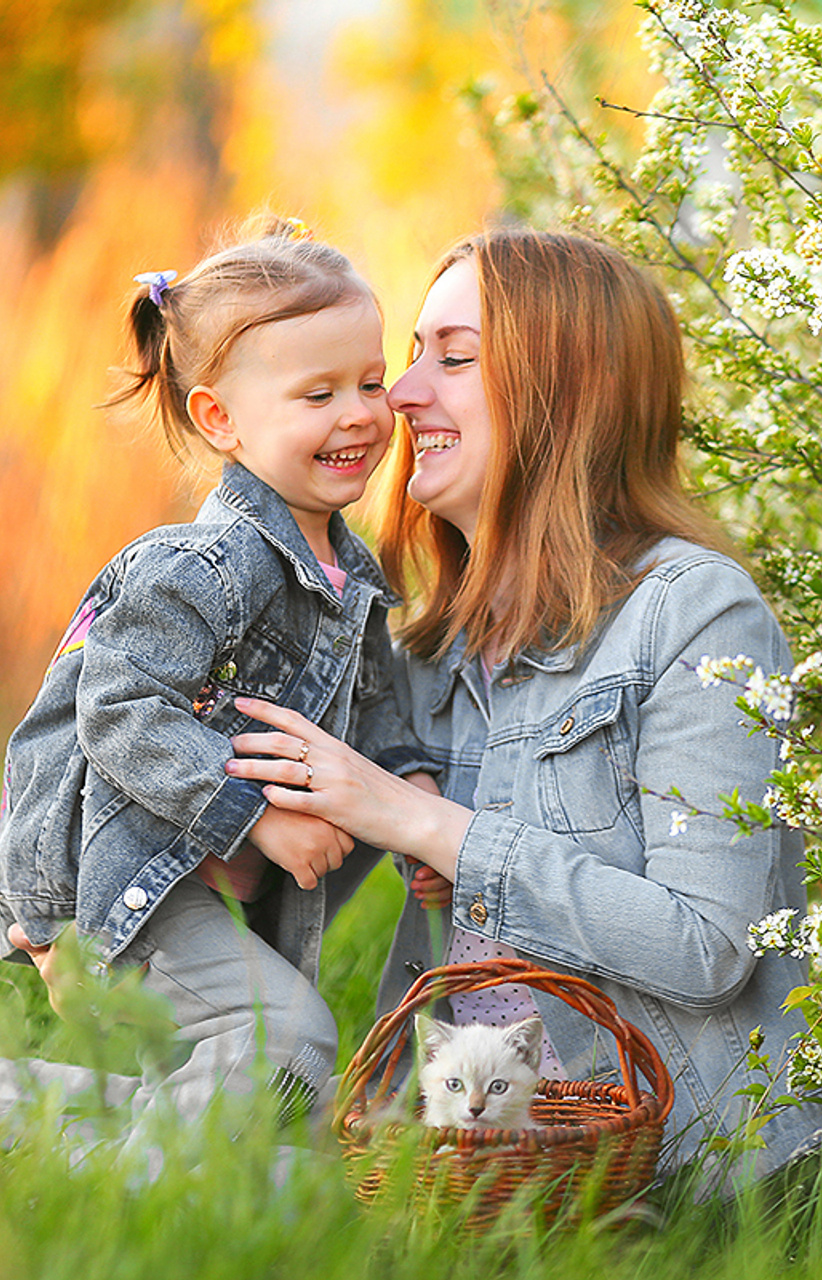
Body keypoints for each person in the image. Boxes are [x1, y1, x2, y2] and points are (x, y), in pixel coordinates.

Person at [225, 228, 822, 1180]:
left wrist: (423, 822)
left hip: (666, 1171)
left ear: (566, 396)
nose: (403, 395)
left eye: (452, 358)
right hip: (457, 1166)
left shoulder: (698, 614)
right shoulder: (427, 644)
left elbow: (707, 945)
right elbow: (277, 893)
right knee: (107, 1130)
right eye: (412, 358)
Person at [0, 217, 435, 1130]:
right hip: (131, 876)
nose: (359, 413)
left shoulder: (352, 574)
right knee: (287, 1044)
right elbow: (111, 709)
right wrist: (258, 814)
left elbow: (380, 712)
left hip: (194, 881)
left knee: (263, 1064)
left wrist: (417, 805)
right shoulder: (200, 566)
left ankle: (32, 1115)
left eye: (369, 380)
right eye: (317, 394)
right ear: (220, 419)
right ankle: (116, 1176)